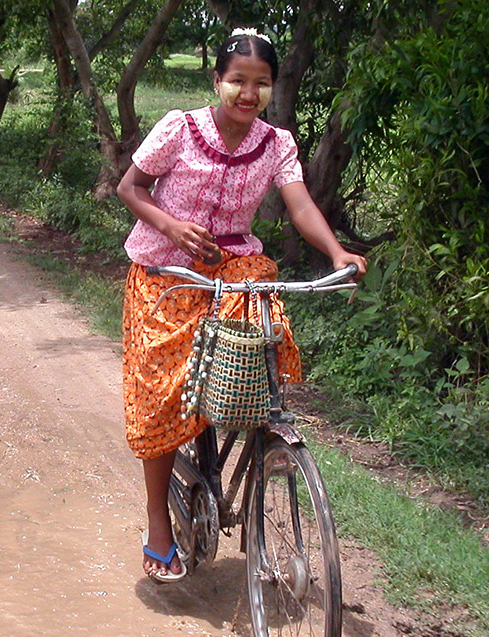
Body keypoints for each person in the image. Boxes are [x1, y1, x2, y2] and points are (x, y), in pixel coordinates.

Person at [116, 28, 366, 583]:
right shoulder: (179, 129)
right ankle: (158, 521)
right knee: (161, 396)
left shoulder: (276, 144)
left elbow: (298, 204)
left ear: (271, 89)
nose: (248, 93)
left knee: (261, 345)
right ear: (217, 81)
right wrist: (172, 227)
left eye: (261, 84)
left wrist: (336, 251)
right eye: (237, 81)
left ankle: (256, 477)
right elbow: (129, 188)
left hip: (234, 271)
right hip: (167, 272)